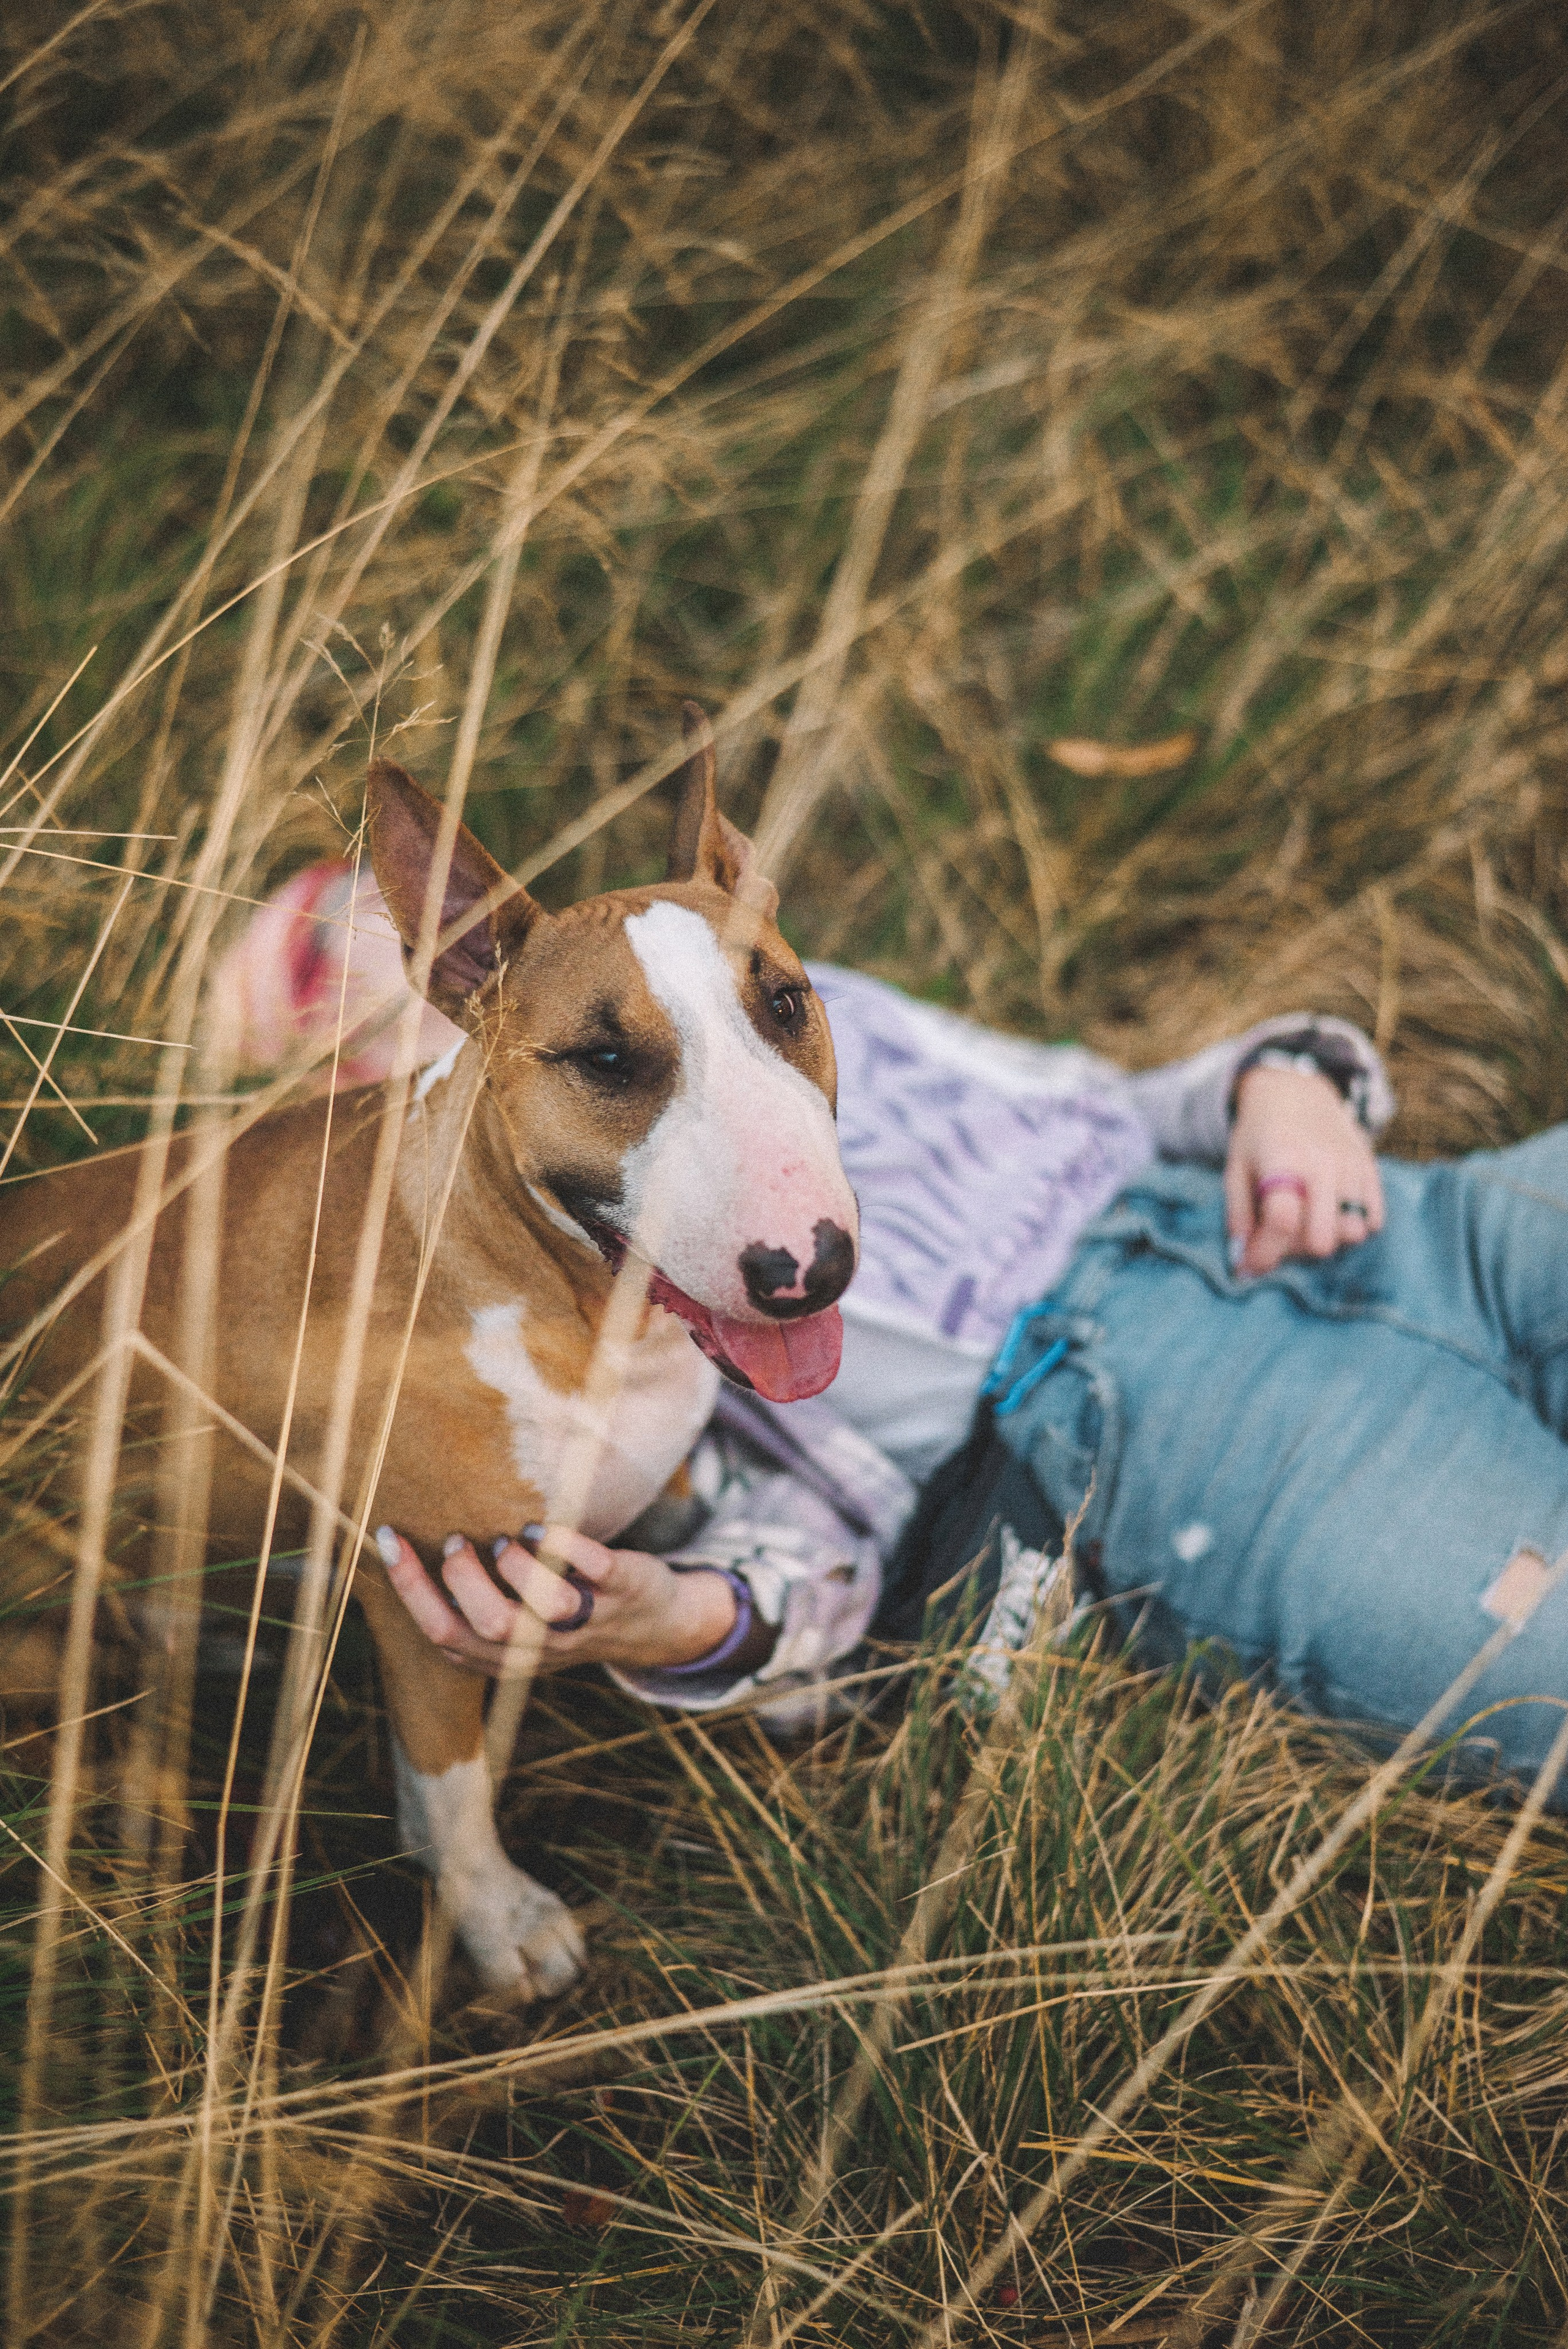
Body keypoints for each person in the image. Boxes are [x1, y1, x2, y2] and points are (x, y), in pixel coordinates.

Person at [230, 867, 1568, 1800]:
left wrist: (1279, 1081)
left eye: (356, 931)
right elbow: (816, 1576)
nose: (386, 1007)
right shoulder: (531, 1328)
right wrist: (676, 1618)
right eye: (336, 1025)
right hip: (1182, 1439)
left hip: (1370, 1222)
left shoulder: (788, 993)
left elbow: (1096, 1095)